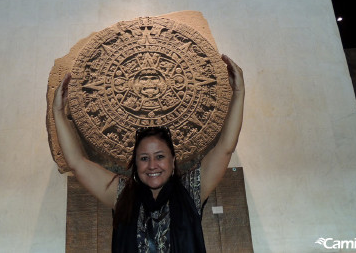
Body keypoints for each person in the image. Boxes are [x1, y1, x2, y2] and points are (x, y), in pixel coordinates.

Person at [53, 54, 245, 252]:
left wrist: (238, 92)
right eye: (144, 158)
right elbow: (76, 162)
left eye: (160, 156)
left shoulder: (191, 190)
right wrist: (58, 111)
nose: (152, 165)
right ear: (136, 164)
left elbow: (225, 148)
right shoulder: (121, 195)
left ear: (173, 160)